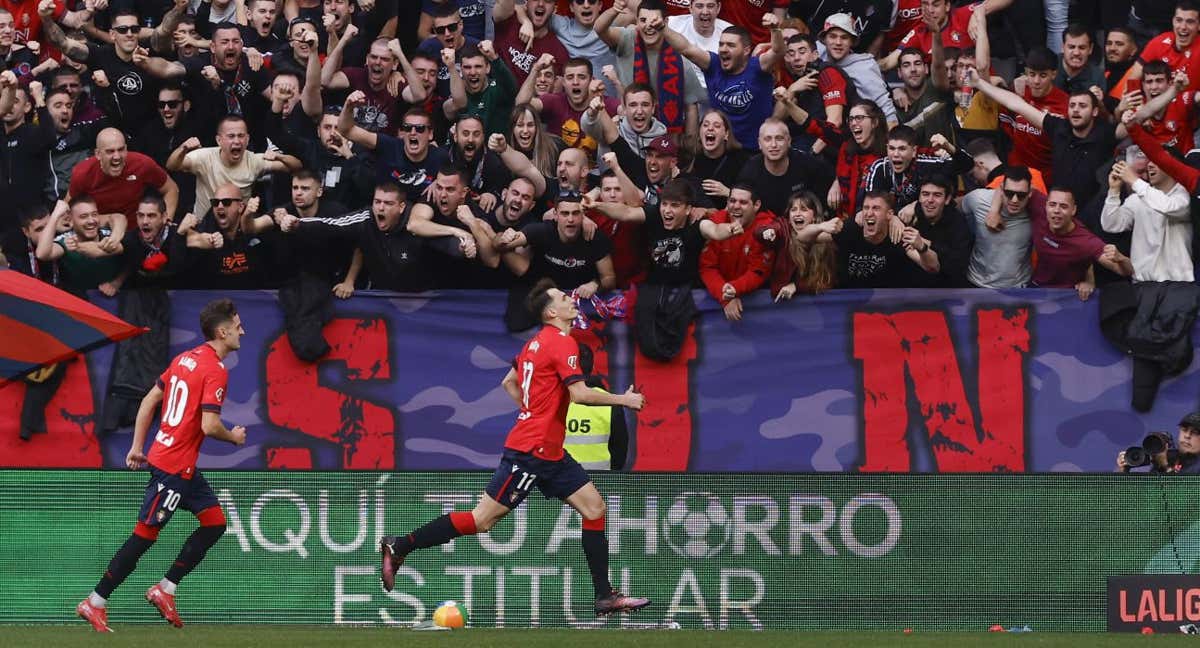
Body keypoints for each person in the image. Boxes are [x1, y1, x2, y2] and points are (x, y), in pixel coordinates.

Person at [378, 278, 651, 618]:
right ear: (552, 312)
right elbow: (580, 394)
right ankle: (401, 545)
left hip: (551, 453)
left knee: (595, 509)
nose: (570, 299)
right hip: (531, 452)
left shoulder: (534, 344)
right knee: (482, 521)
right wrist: (624, 400)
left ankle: (604, 595)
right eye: (563, 298)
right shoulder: (562, 343)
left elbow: (508, 381)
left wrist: (531, 409)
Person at [75, 298, 247, 632]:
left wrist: (138, 446)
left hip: (173, 461)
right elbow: (209, 426)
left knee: (214, 523)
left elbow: (150, 399)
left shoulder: (185, 358)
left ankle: (165, 589)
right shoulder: (215, 370)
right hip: (173, 466)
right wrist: (234, 438)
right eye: (238, 325)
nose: (243, 330)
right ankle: (95, 601)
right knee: (143, 536)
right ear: (222, 330)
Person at [1117, 412, 1200, 474]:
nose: (1187, 436)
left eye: (1195, 432)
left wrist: (1165, 466)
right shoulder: (1171, 458)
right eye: (1184, 430)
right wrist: (1123, 470)